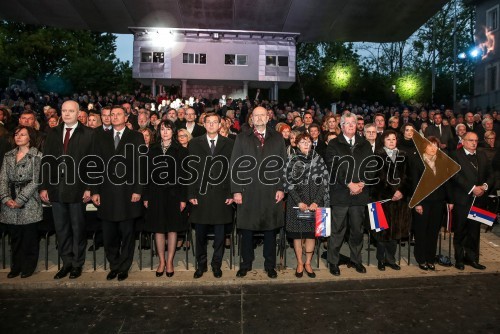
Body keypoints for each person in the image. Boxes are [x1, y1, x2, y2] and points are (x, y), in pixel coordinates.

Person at [40, 100, 94, 280]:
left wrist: (89, 188)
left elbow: (93, 164)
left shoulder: (88, 133)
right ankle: (66, 263)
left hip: (78, 189)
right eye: (64, 111)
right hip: (56, 189)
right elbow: (46, 161)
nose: (67, 114)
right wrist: (44, 186)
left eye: (71, 111)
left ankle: (77, 264)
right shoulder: (53, 133)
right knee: (61, 229)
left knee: (78, 228)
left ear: (78, 113)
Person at [230, 106, 287, 278]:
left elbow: (283, 165)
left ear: (268, 117)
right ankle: (245, 263)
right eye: (256, 115)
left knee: (270, 229)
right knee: (247, 229)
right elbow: (234, 165)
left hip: (271, 191)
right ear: (251, 119)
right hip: (248, 191)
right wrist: (236, 191)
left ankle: (270, 265)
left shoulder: (277, 138)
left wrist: (281, 188)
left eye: (263, 115)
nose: (260, 118)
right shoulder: (241, 138)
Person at [91, 105, 146, 281]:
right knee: (109, 233)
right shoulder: (101, 137)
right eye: (111, 114)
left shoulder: (135, 136)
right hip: (106, 193)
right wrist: (94, 190)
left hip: (128, 193)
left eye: (118, 114)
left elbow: (141, 165)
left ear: (126, 117)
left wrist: (138, 189)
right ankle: (113, 265)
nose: (114, 117)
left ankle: (124, 266)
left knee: (127, 233)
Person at [325, 112, 372, 276]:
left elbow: (371, 166)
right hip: (340, 193)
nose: (351, 125)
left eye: (354, 123)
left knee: (358, 230)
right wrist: (349, 184)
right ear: (342, 126)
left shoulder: (364, 144)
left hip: (360, 193)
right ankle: (333, 262)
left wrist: (362, 183)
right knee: (338, 230)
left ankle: (356, 260)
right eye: (348, 123)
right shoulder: (334, 144)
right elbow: (333, 167)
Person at [189, 113, 234, 279]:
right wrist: (191, 193)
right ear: (204, 123)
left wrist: (231, 192)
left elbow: (232, 170)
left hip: (222, 195)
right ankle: (201, 265)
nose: (212, 124)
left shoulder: (229, 143)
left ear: (220, 124)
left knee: (220, 235)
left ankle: (216, 264)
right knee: (200, 234)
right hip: (201, 195)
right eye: (209, 122)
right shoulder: (194, 143)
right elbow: (191, 170)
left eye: (215, 122)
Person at [143, 120, 188, 277]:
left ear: (173, 131)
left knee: (172, 228)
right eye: (162, 129)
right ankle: (161, 261)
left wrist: (183, 198)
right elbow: (146, 174)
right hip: (155, 193)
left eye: (168, 129)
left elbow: (184, 176)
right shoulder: (152, 149)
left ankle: (170, 261)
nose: (165, 132)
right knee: (158, 228)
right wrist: (146, 196)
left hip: (174, 194)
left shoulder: (180, 150)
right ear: (159, 131)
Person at [284, 132, 329, 278]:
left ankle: (308, 263)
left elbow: (324, 182)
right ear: (296, 144)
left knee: (311, 234)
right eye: (303, 142)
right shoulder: (291, 159)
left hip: (315, 202)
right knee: (298, 235)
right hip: (297, 203)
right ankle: (299, 262)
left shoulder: (318, 159)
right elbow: (288, 183)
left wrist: (316, 201)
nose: (306, 144)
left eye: (308, 142)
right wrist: (299, 201)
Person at [0, 126, 43, 278]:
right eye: (17, 134)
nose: (18, 137)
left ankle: (28, 267)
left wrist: (20, 200)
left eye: (22, 134)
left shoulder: (37, 156)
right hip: (9, 203)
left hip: (29, 202)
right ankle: (15, 266)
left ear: (30, 138)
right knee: (15, 237)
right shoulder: (8, 155)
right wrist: (6, 198)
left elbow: (36, 181)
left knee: (29, 237)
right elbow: (3, 178)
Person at [451, 131, 494, 270]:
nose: (474, 143)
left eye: (476, 140)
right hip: (463, 200)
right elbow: (455, 176)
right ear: (463, 141)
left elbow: (491, 174)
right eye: (470, 140)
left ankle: (472, 259)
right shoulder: (456, 155)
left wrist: (485, 187)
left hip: (479, 200)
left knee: (474, 231)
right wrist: (472, 188)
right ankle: (459, 260)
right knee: (460, 231)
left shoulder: (482, 155)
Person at [411, 136, 453, 270]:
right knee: (421, 231)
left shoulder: (441, 162)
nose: (433, 148)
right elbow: (414, 184)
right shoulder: (417, 161)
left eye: (436, 145)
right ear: (425, 147)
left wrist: (450, 200)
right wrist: (417, 203)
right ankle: (421, 258)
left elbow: (446, 183)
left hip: (438, 202)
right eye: (430, 145)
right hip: (423, 203)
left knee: (434, 232)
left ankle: (430, 258)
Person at [371, 130, 411, 271]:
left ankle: (390, 259)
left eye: (394, 139)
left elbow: (408, 177)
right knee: (382, 231)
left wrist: (401, 191)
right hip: (383, 199)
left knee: (395, 231)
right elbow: (378, 178)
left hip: (400, 200)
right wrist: (392, 192)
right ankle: (381, 259)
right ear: (384, 141)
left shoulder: (403, 155)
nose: (392, 141)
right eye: (389, 139)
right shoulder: (377, 156)